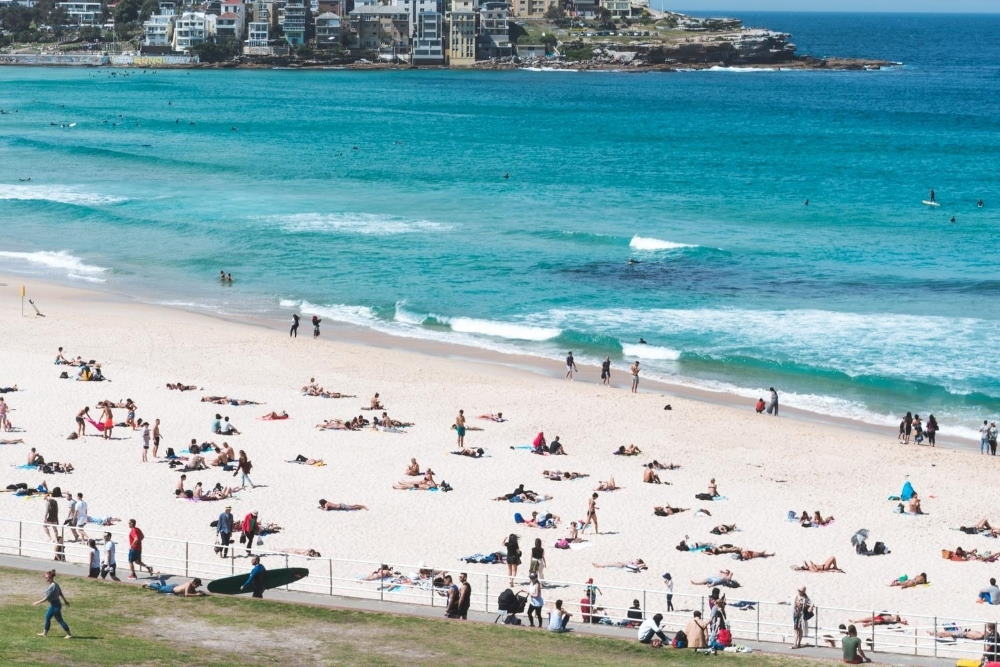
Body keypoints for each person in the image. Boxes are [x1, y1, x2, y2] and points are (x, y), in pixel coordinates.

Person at [33, 569, 71, 638]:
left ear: (50, 577)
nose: (45, 578)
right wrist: (65, 601)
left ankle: (69, 634)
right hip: (56, 605)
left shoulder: (52, 586)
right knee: (52, 618)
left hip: (55, 606)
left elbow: (46, 598)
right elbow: (60, 593)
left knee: (52, 618)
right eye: (45, 577)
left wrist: (37, 602)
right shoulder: (55, 584)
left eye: (46, 577)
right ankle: (45, 633)